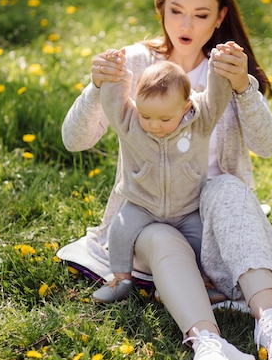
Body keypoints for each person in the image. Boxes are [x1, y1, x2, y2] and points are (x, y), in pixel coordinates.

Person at [60, 0, 272, 360]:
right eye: (175, 10)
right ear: (161, 8)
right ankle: (209, 345)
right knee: (159, 236)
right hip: (149, 215)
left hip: (215, 219)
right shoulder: (134, 62)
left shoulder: (224, 70)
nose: (185, 24)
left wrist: (245, 88)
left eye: (200, 13)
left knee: (227, 187)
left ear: (220, 18)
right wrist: (94, 87)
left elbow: (267, 146)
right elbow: (74, 140)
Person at [93, 48, 234, 304]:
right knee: (119, 232)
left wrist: (218, 67)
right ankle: (120, 280)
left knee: (203, 244)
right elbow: (113, 103)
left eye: (165, 118)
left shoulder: (200, 121)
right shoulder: (131, 122)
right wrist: (117, 74)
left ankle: (198, 282)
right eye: (147, 116)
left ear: (186, 107)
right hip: (142, 204)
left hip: (187, 208)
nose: (154, 125)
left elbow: (217, 98)